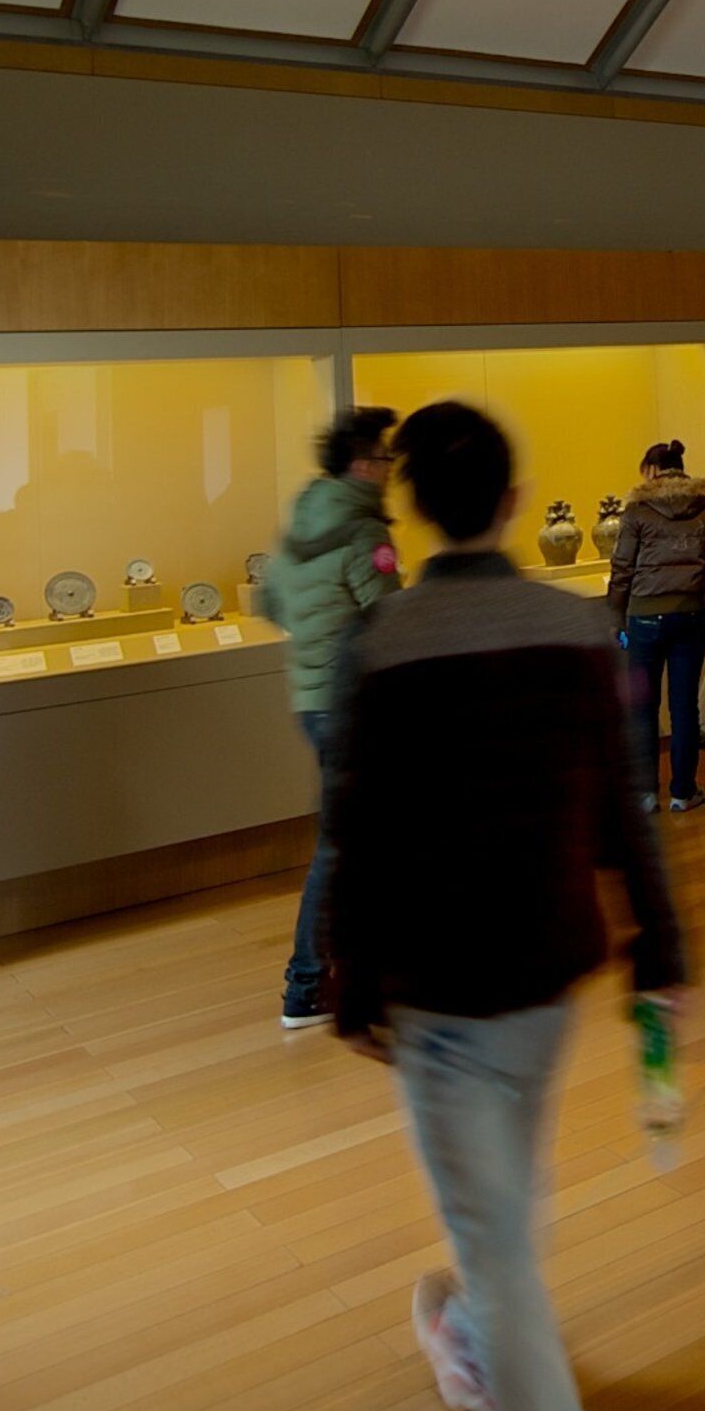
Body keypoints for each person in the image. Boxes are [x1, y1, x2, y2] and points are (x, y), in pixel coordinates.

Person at [318, 400, 686, 1411]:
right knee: (509, 1201)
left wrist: (350, 974)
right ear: (515, 504)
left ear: (417, 509)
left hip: (440, 986)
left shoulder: (378, 645)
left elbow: (357, 829)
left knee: (497, 1234)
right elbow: (621, 800)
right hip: (549, 971)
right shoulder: (571, 626)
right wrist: (659, 940)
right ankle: (477, 1335)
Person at [267, 405, 401, 1032]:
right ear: (361, 463)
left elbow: (270, 600)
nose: (390, 470)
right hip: (357, 701)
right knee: (344, 845)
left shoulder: (301, 521)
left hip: (313, 697)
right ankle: (308, 983)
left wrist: (318, 640)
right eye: (384, 458)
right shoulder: (362, 530)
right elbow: (388, 617)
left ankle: (360, 970)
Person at [606, 438, 705, 813]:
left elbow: (621, 571)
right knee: (684, 707)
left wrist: (616, 619)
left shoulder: (637, 511)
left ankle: (646, 793)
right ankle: (683, 791)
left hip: (643, 619)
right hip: (691, 617)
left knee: (643, 707)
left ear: (652, 470)